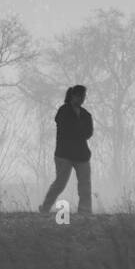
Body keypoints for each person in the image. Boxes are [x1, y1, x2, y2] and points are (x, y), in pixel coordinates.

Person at [39, 85, 93, 215]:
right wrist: (79, 131)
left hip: (82, 155)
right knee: (60, 183)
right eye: (79, 96)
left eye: (83, 96)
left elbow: (88, 133)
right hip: (64, 154)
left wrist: (77, 130)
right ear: (73, 96)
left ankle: (85, 211)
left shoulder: (86, 114)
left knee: (85, 185)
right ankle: (45, 207)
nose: (82, 99)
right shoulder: (63, 111)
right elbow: (67, 130)